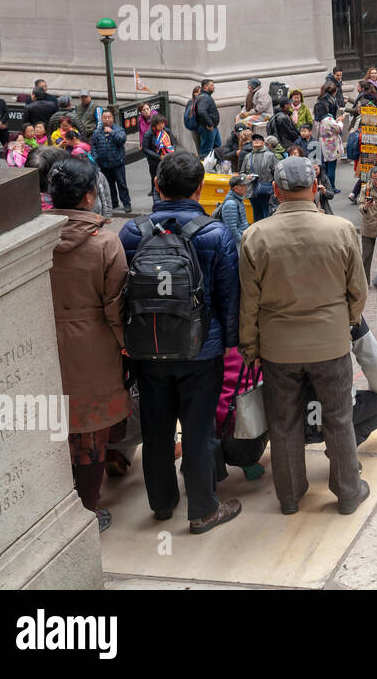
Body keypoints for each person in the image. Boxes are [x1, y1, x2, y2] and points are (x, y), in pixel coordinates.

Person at [117, 151, 242, 533]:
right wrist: (231, 342)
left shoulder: (131, 233)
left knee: (156, 430)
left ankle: (162, 503)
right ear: (200, 188)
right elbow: (228, 297)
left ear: (157, 185)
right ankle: (203, 510)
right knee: (199, 430)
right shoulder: (215, 233)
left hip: (147, 348)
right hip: (201, 349)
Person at [239, 157, 368, 515]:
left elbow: (248, 304)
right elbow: (358, 291)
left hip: (279, 348)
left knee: (284, 423)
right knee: (339, 419)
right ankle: (347, 493)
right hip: (330, 341)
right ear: (316, 188)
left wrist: (250, 347)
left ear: (276, 191)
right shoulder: (341, 229)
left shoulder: (255, 236)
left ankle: (290, 496)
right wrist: (346, 323)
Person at [47, 156, 131, 533]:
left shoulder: (35, 239)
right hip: (95, 346)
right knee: (92, 430)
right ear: (87, 197)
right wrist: (126, 346)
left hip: (47, 342)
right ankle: (88, 510)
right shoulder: (106, 244)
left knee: (55, 425)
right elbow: (117, 309)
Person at [90, 109, 131, 214]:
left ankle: (126, 203)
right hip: (104, 163)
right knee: (109, 185)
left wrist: (111, 132)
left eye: (109, 117)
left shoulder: (118, 129)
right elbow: (93, 145)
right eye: (105, 117)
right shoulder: (97, 131)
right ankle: (114, 203)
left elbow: (122, 139)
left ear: (113, 118)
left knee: (122, 184)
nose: (107, 119)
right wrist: (95, 157)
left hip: (117, 163)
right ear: (102, 119)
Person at [239, 132, 277, 220]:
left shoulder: (270, 156)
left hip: (267, 191)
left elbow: (276, 172)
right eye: (254, 139)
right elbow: (242, 172)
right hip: (252, 190)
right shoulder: (248, 157)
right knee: (256, 215)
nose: (256, 141)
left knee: (267, 215)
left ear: (263, 143)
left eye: (259, 139)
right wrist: (246, 177)